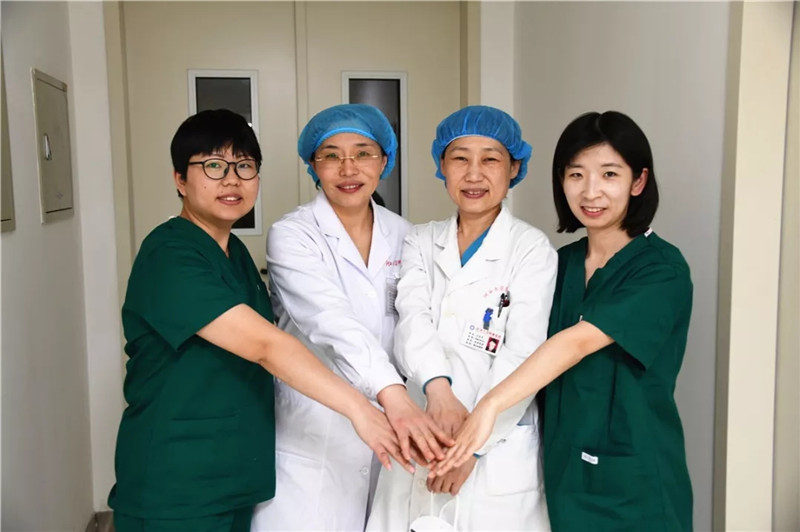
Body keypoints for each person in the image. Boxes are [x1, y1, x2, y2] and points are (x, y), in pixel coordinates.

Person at [108, 109, 407, 532]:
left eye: (244, 167)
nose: (231, 180)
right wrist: (363, 409)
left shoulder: (236, 258)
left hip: (234, 475)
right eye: (213, 166)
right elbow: (266, 345)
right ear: (180, 179)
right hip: (176, 480)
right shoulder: (169, 255)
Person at [432, 111, 694, 531]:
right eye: (576, 175)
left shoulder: (660, 269)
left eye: (609, 174)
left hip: (634, 478)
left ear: (638, 181)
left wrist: (489, 408)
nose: (591, 191)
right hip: (562, 472)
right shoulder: (561, 263)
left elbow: (576, 342)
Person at [251, 104, 451, 532]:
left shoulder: (405, 235)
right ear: (313, 165)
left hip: (392, 431)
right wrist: (394, 397)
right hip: (314, 431)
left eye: (363, 153)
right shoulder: (293, 235)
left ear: (384, 161)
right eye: (331, 155)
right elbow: (332, 322)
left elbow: (417, 323)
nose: (348, 168)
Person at [366, 106, 557, 531]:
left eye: (490, 159)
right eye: (459, 158)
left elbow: (525, 352)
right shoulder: (420, 239)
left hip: (497, 444)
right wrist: (438, 392)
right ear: (442, 166)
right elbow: (412, 319)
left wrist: (473, 446)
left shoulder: (531, 249)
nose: (474, 174)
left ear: (514, 168)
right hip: (423, 424)